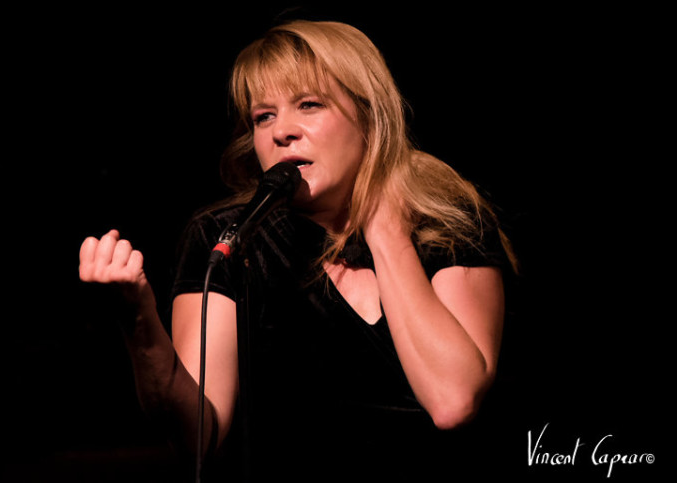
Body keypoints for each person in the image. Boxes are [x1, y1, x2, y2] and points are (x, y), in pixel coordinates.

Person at [79, 20, 516, 482]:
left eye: (309, 105)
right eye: (263, 117)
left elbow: (452, 401)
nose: (281, 132)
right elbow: (199, 440)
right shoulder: (227, 238)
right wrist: (139, 321)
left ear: (371, 117)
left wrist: (385, 229)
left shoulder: (448, 226)